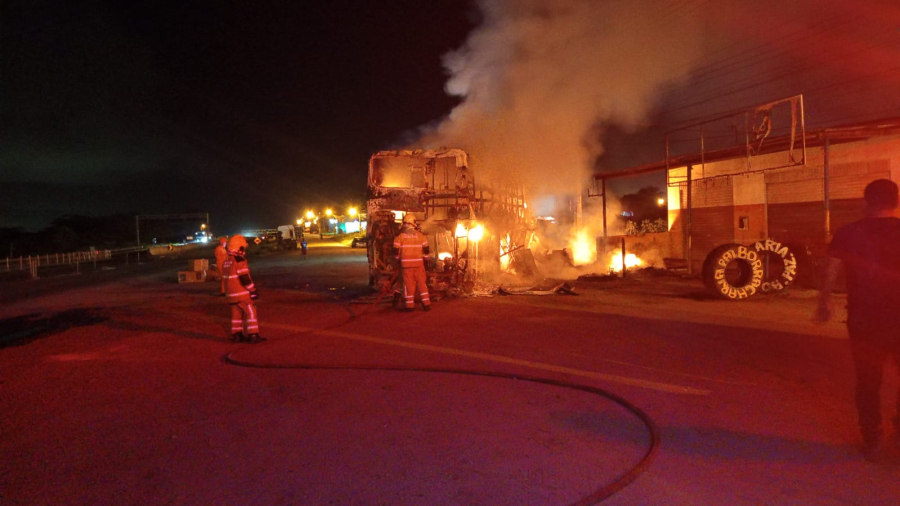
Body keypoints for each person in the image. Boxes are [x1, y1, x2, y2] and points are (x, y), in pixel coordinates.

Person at [816, 178, 900, 463]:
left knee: (868, 380)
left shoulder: (850, 233)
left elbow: (831, 269)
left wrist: (824, 302)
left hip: (865, 321)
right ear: (895, 201)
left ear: (868, 202)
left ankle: (872, 437)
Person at [222, 234, 266, 343]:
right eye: (243, 247)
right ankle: (253, 335)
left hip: (231, 294)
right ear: (239, 247)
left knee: (236, 314)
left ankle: (237, 335)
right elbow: (244, 278)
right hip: (241, 293)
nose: (244, 250)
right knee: (251, 312)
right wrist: (253, 289)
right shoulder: (239, 260)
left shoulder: (226, 262)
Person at [393, 213, 431, 312]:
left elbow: (395, 251)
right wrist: (426, 260)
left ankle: (410, 306)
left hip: (406, 266)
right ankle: (426, 305)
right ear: (413, 223)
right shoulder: (420, 236)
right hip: (419, 265)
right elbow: (426, 250)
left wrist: (398, 260)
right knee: (422, 284)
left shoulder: (400, 237)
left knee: (409, 286)